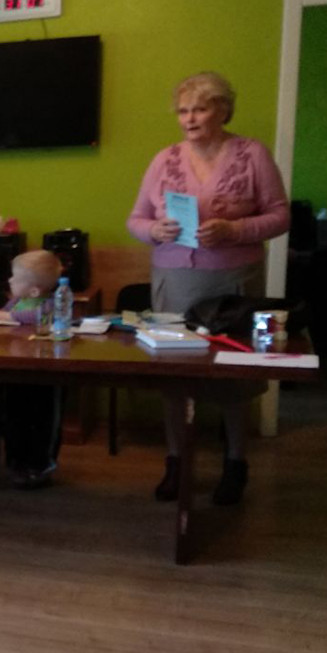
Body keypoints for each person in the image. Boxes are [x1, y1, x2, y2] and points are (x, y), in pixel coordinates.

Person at [126, 72, 290, 505]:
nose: (189, 118)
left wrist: (235, 230)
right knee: (174, 377)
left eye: (199, 109)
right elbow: (136, 219)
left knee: (233, 376)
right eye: (183, 111)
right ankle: (176, 462)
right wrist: (154, 230)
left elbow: (280, 215)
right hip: (174, 282)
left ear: (223, 110)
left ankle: (235, 463)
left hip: (232, 282)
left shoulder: (252, 154)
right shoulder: (164, 159)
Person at [0, 249, 65, 489]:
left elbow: (37, 316)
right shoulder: (15, 302)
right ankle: (16, 462)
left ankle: (40, 466)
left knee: (42, 420)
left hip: (44, 371)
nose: (9, 280)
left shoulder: (50, 304)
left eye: (15, 278)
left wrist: (8, 317)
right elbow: (8, 314)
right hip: (16, 368)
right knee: (14, 417)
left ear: (34, 291)